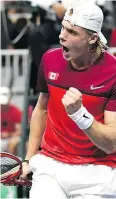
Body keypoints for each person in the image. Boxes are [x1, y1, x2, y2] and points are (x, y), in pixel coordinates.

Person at [21, 2, 116, 199]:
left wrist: (81, 115)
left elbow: (111, 144)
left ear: (92, 38)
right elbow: (41, 109)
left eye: (72, 32)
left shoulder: (113, 73)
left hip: (97, 172)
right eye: (63, 27)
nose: (61, 35)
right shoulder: (49, 59)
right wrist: (29, 158)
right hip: (51, 166)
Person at [0, 87, 22, 155]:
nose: (3, 106)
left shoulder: (16, 111)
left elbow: (19, 131)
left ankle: (13, 163)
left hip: (12, 137)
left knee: (12, 143)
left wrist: (8, 134)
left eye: (4, 104)